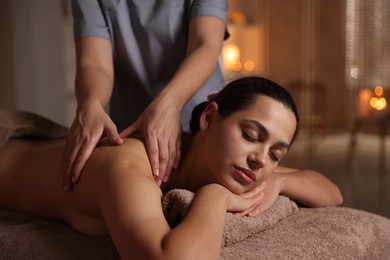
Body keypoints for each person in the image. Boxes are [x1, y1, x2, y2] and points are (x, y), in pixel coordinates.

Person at [0, 77, 343, 259]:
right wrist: (216, 196)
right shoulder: (129, 164)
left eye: (276, 155)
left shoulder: (245, 162)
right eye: (251, 135)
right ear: (209, 117)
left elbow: (331, 193)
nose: (260, 159)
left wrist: (279, 184)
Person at [62, 0, 229, 190]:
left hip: (200, 119)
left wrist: (170, 102)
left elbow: (204, 44)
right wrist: (90, 104)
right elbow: (94, 65)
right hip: (132, 130)